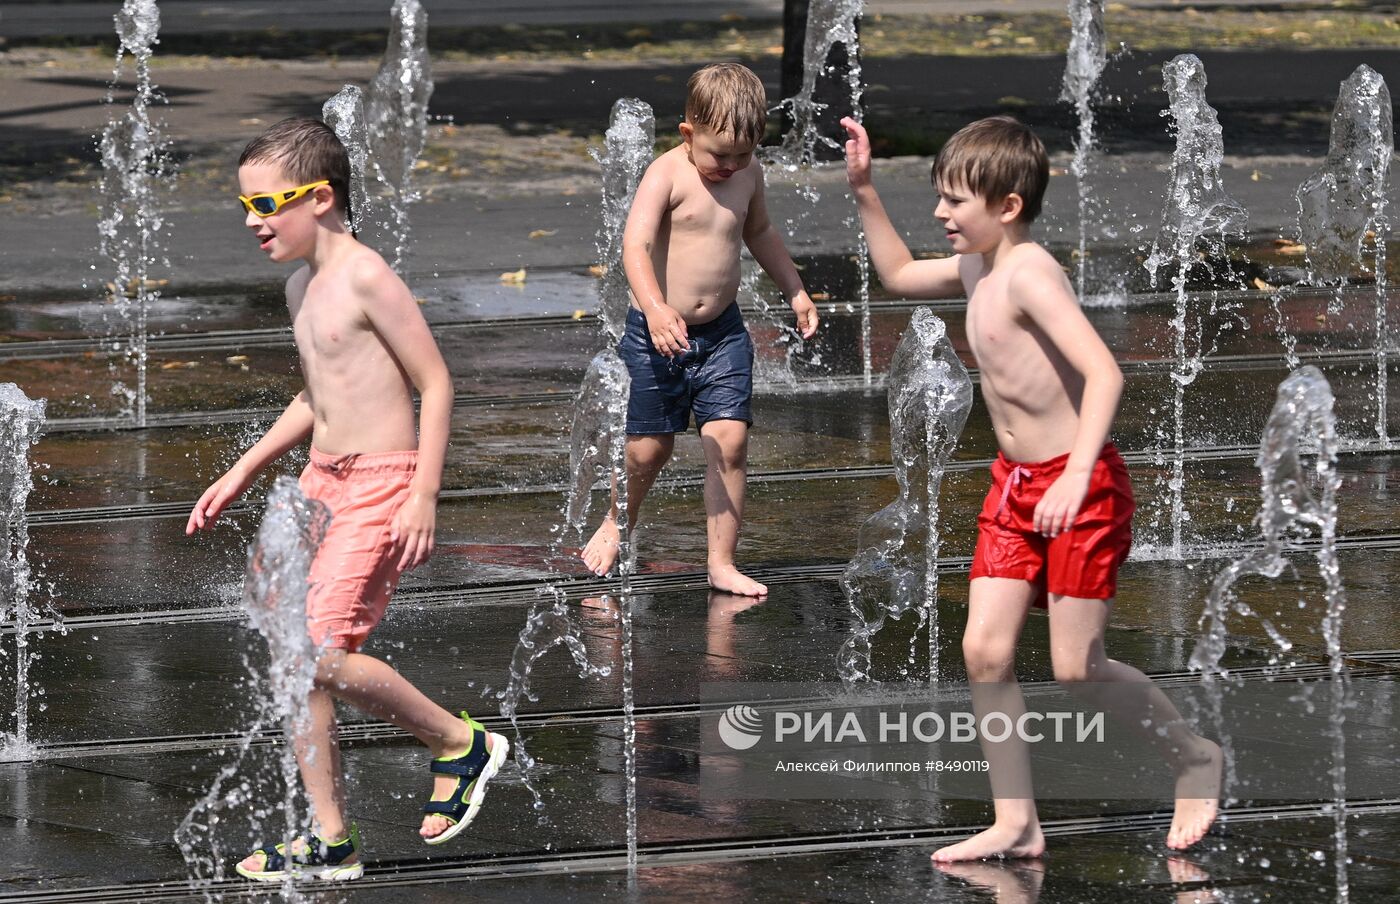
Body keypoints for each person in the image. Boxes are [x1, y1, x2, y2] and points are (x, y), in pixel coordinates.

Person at [842, 114, 1221, 860]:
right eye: (940, 199)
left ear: (1006, 207)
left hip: (1079, 486)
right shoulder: (978, 267)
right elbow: (895, 275)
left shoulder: (1031, 273)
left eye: (956, 202)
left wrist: (1077, 475)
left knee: (1078, 667)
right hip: (1014, 488)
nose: (942, 215)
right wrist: (863, 190)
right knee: (984, 651)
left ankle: (1195, 756)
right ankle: (1016, 821)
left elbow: (1105, 372)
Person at [186, 118, 506, 881]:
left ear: (320, 198)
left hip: (382, 482)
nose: (251, 222)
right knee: (288, 651)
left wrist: (423, 492)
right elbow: (317, 391)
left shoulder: (365, 276)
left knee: (320, 652)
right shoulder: (302, 283)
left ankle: (460, 743)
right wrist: (246, 468)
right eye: (246, 206)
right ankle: (329, 837)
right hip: (320, 480)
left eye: (265, 206)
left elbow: (435, 381)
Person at [580, 62, 819, 596]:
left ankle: (721, 561)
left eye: (743, 153)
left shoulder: (748, 174)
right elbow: (633, 247)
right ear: (687, 133)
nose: (731, 166)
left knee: (729, 440)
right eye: (720, 154)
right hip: (656, 333)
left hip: (723, 334)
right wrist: (656, 307)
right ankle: (620, 519)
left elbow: (760, 232)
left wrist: (795, 290)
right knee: (648, 449)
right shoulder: (666, 173)